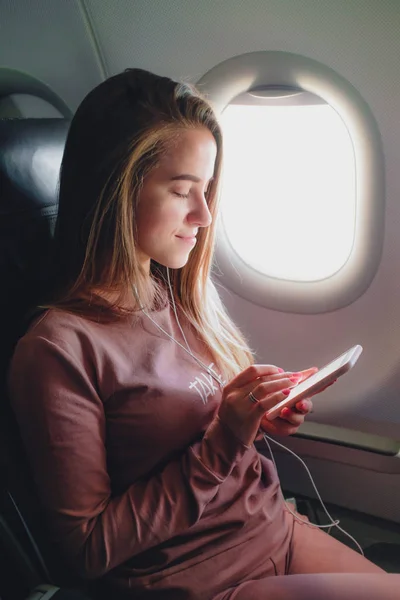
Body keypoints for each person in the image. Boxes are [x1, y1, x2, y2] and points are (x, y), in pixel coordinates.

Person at [8, 69, 399, 600]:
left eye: (208, 190)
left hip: (272, 529)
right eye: (182, 191)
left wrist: (259, 411)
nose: (204, 215)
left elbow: (197, 429)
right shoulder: (59, 350)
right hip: (201, 578)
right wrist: (226, 439)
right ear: (118, 190)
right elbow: (88, 546)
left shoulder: (174, 291)